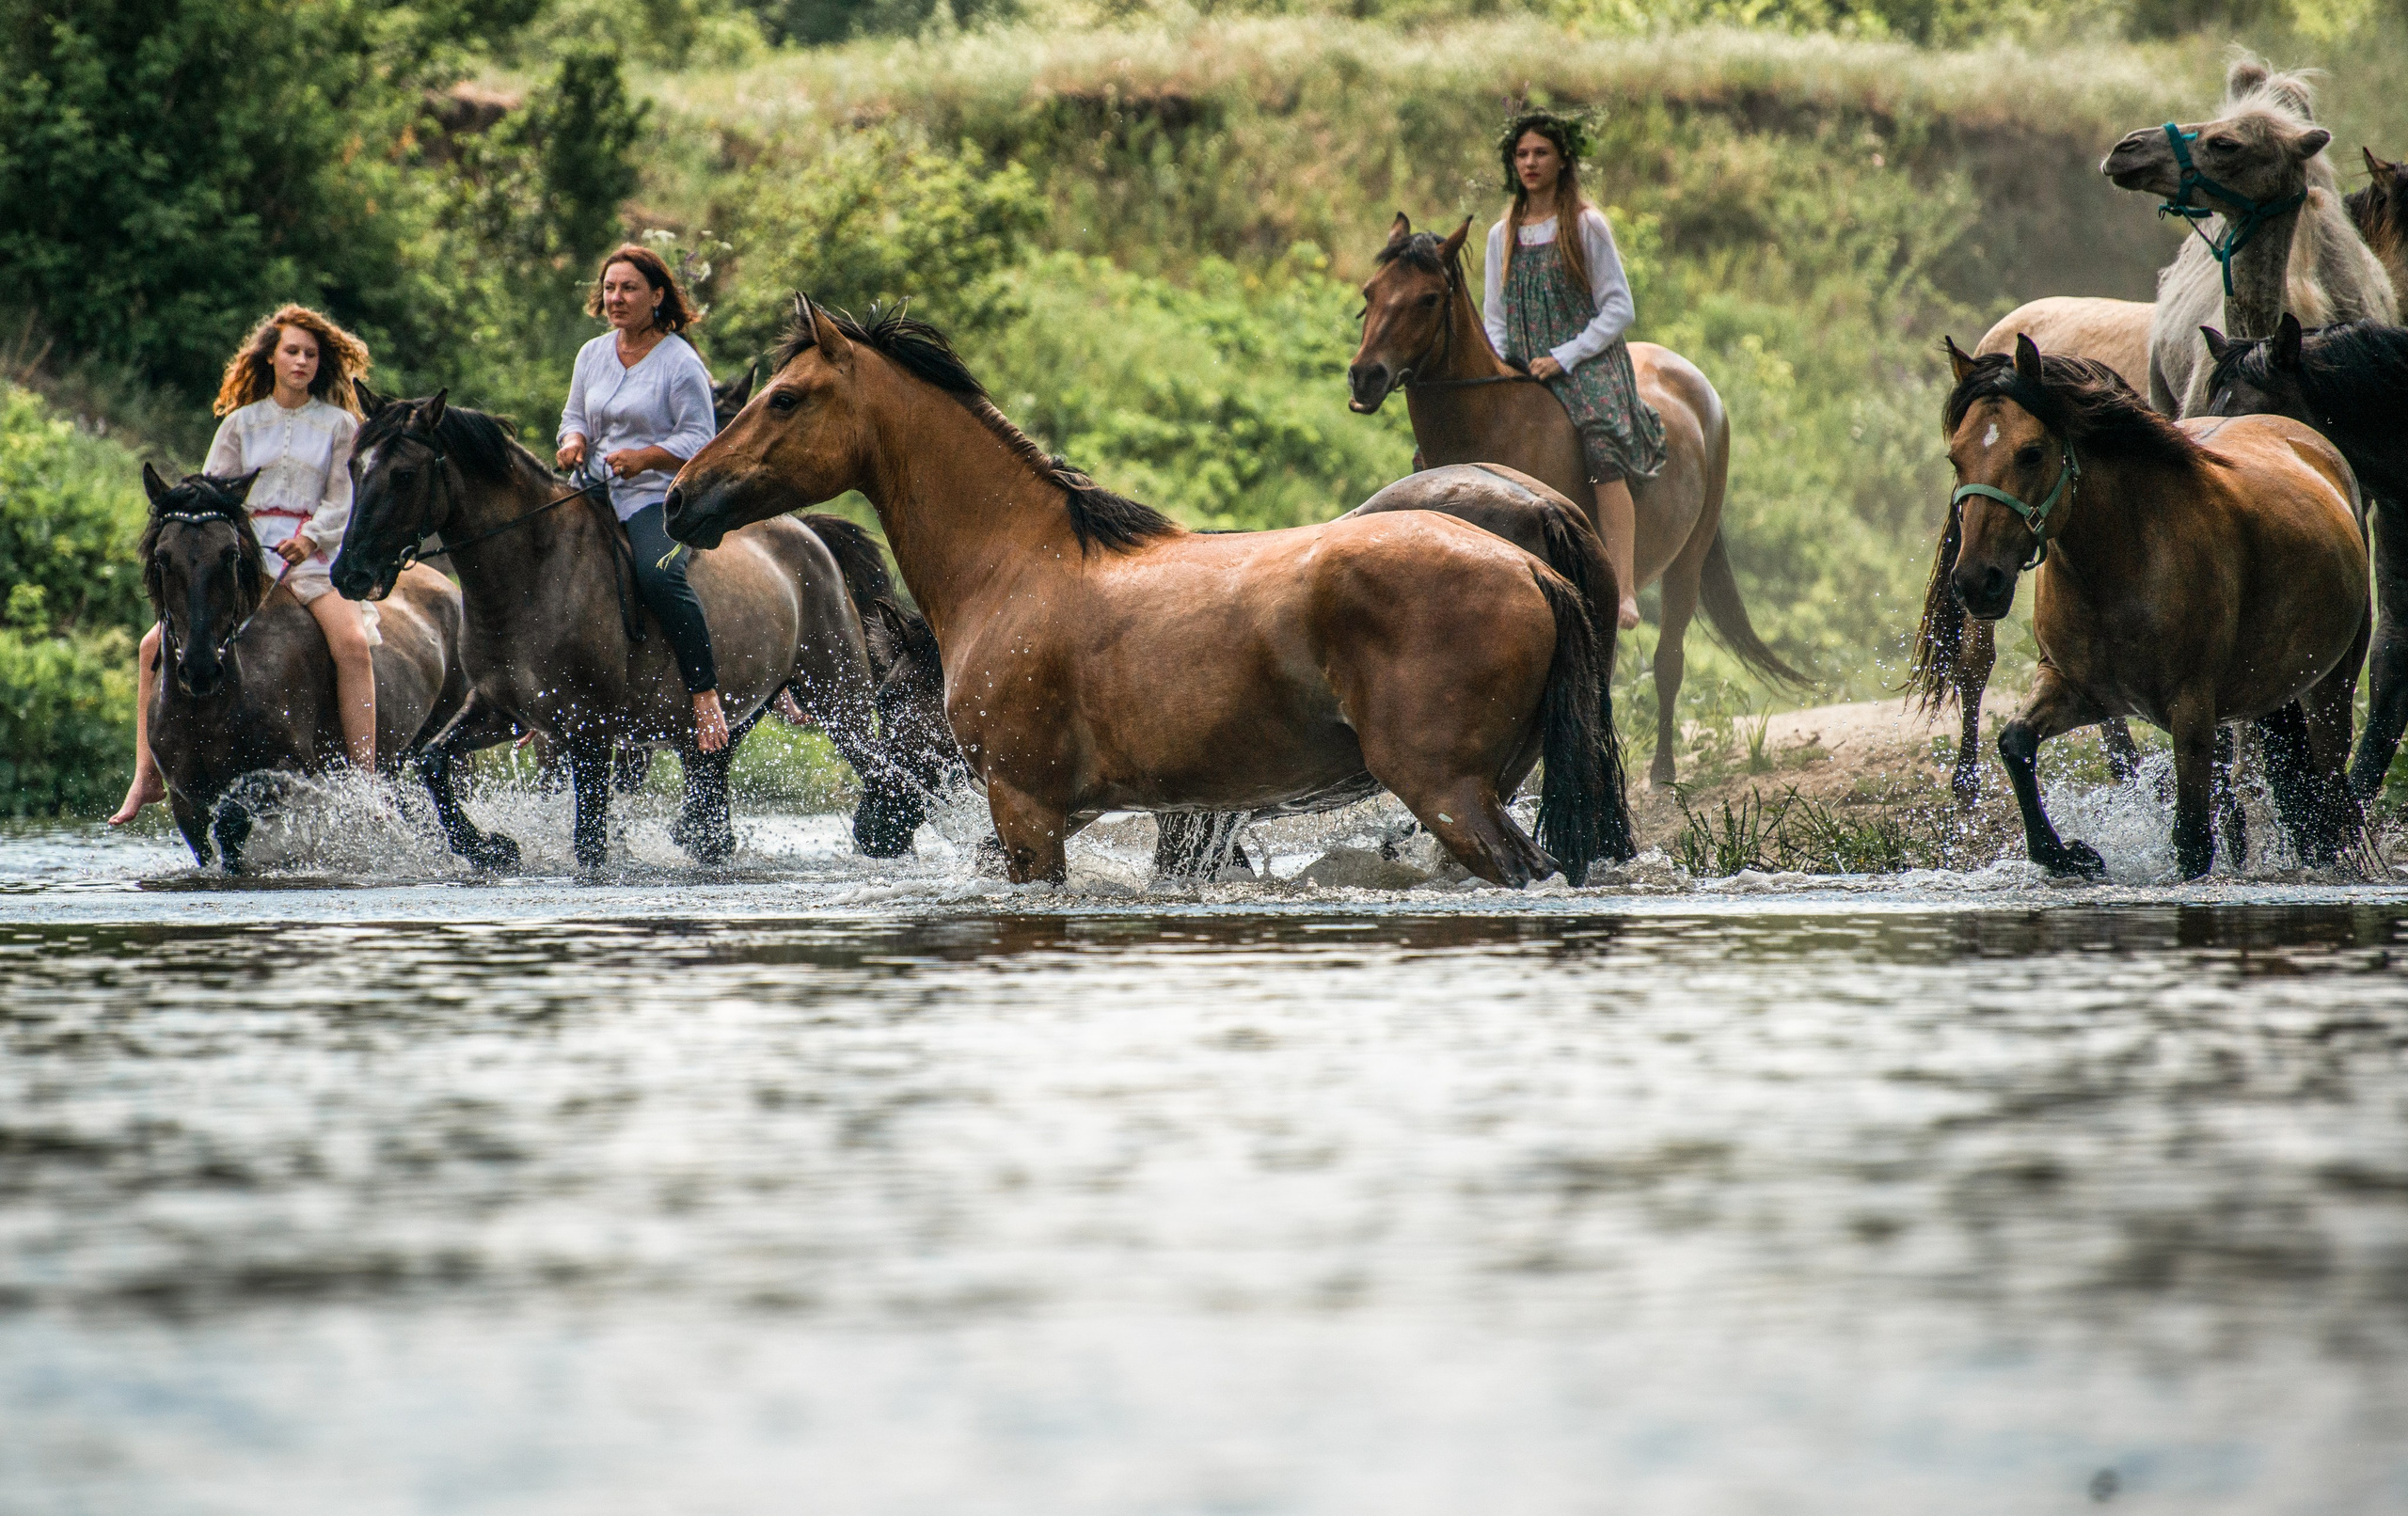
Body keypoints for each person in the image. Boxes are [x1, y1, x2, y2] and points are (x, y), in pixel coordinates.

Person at [111, 306, 378, 825]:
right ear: (272, 358)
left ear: (320, 365)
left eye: (311, 354)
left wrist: (311, 539)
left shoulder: (341, 424)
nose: (301, 361)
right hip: (244, 558)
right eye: (292, 351)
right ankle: (147, 775)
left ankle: (365, 784)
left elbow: (344, 497)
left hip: (313, 557)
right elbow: (209, 498)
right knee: (150, 646)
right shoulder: (239, 424)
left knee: (353, 645)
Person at [1483, 109, 1667, 632]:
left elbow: (1618, 308)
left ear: (1562, 160)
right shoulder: (1503, 233)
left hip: (1585, 361)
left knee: (1600, 447)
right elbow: (1494, 316)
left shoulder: (1586, 224)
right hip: (1524, 366)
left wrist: (1564, 355)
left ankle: (1624, 588)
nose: (1530, 162)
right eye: (1521, 154)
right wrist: (1504, 364)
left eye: (1541, 152)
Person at [556, 244, 728, 752]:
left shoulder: (680, 362)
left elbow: (701, 442)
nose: (616, 297)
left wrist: (646, 457)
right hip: (589, 490)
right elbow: (573, 418)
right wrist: (573, 443)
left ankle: (703, 693)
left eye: (628, 288)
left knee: (658, 573)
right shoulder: (591, 354)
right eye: (609, 288)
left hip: (657, 497)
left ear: (657, 295)